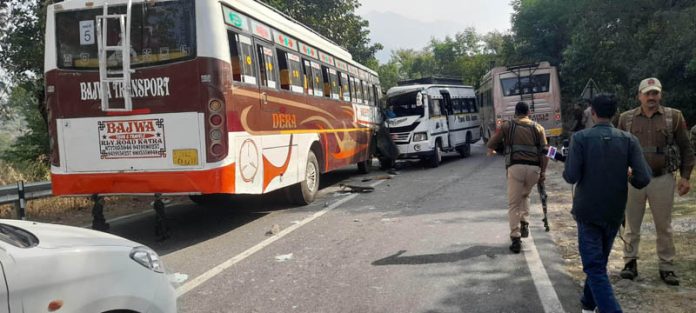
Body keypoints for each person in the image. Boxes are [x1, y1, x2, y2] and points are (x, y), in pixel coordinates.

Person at [563, 94, 651, 313]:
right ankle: (587, 304)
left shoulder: (581, 139)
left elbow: (570, 177)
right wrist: (628, 175)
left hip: (587, 212)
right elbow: (643, 178)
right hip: (613, 211)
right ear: (615, 113)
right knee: (598, 264)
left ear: (592, 112)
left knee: (594, 267)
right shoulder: (629, 140)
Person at [617, 77, 695, 286]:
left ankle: (667, 267)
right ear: (639, 96)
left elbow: (686, 149)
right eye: (647, 93)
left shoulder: (674, 117)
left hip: (663, 178)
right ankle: (630, 263)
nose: (651, 97)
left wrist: (686, 177)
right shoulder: (626, 119)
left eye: (655, 93)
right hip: (634, 180)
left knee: (664, 225)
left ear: (660, 94)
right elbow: (618, 151)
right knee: (632, 225)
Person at [486, 101, 548, 253]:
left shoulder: (507, 126)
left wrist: (492, 150)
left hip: (515, 168)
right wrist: (543, 173)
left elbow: (491, 143)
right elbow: (546, 152)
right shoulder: (538, 128)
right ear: (529, 113)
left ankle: (515, 238)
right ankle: (524, 222)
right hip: (534, 170)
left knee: (514, 204)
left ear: (515, 112)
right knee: (525, 196)